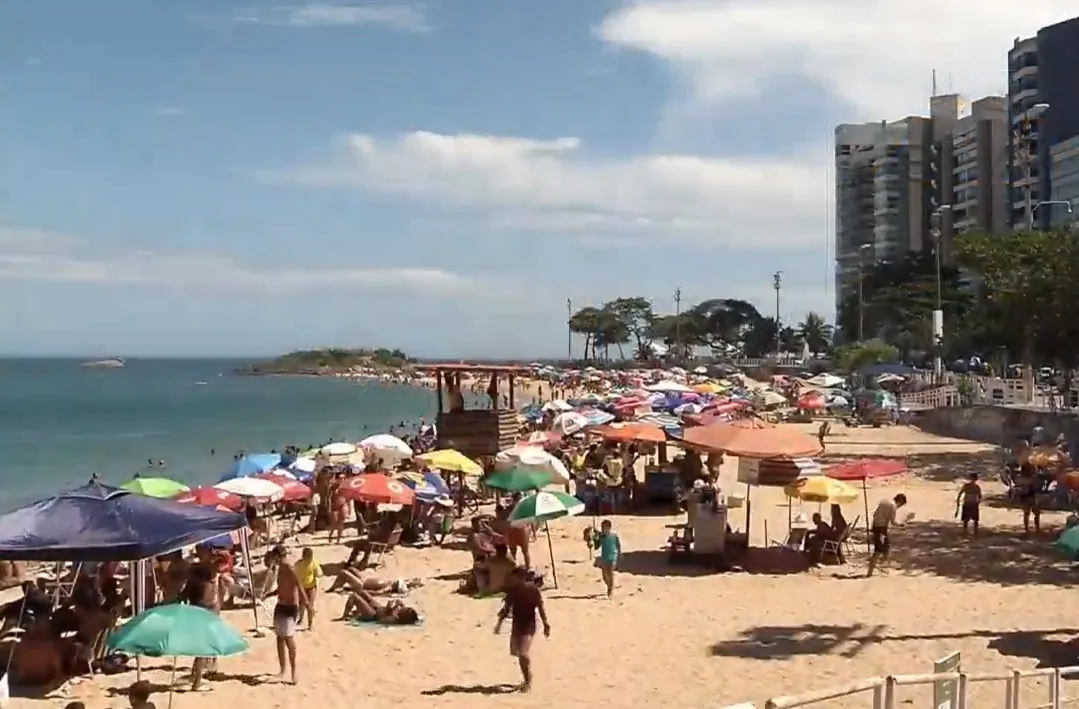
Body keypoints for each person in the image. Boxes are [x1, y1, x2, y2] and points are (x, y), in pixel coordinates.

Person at [494, 567, 550, 693]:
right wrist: (499, 624)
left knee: (523, 652)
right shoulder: (512, 592)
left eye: (513, 577)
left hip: (529, 625)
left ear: (520, 577)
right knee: (519, 654)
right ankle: (526, 678)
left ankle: (529, 680)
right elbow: (505, 609)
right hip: (517, 625)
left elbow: (540, 607)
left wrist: (546, 624)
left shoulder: (532, 590)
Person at [270, 545, 309, 684]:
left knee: (288, 639)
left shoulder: (289, 567)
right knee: (279, 638)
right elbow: (282, 587)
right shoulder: (280, 568)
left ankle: (294, 671)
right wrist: (271, 593)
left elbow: (299, 585)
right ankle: (282, 669)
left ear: (278, 556)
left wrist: (306, 602)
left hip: (290, 607)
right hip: (280, 605)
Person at [867, 493, 907, 578]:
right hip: (880, 528)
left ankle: (880, 566)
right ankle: (870, 571)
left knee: (886, 547)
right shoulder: (893, 506)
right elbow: (893, 522)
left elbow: (875, 514)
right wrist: (901, 525)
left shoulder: (884, 501)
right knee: (878, 551)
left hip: (875, 526)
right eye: (901, 505)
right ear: (900, 501)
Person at [338, 588, 420, 625]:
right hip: (378, 608)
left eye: (408, 610)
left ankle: (344, 616)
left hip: (372, 615)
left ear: (405, 616)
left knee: (354, 597)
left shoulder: (395, 618)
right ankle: (357, 611)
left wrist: (389, 608)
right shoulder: (400, 611)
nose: (407, 608)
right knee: (362, 592)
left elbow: (382, 620)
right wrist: (398, 604)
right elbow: (400, 604)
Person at [588, 519, 621, 598]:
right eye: (602, 527)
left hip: (612, 557)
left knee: (610, 573)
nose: (602, 529)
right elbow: (597, 546)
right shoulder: (601, 536)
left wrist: (619, 553)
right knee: (604, 575)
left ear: (609, 528)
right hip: (604, 558)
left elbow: (618, 544)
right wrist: (591, 539)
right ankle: (609, 585)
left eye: (604, 527)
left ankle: (610, 589)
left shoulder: (614, 535)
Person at [293, 547, 321, 631]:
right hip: (302, 588)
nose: (309, 559)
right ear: (303, 557)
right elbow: (294, 574)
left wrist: (316, 577)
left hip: (311, 587)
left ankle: (310, 623)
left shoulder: (313, 564)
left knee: (310, 606)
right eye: (308, 557)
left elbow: (319, 573)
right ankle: (300, 619)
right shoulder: (298, 564)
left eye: (310, 557)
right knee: (301, 605)